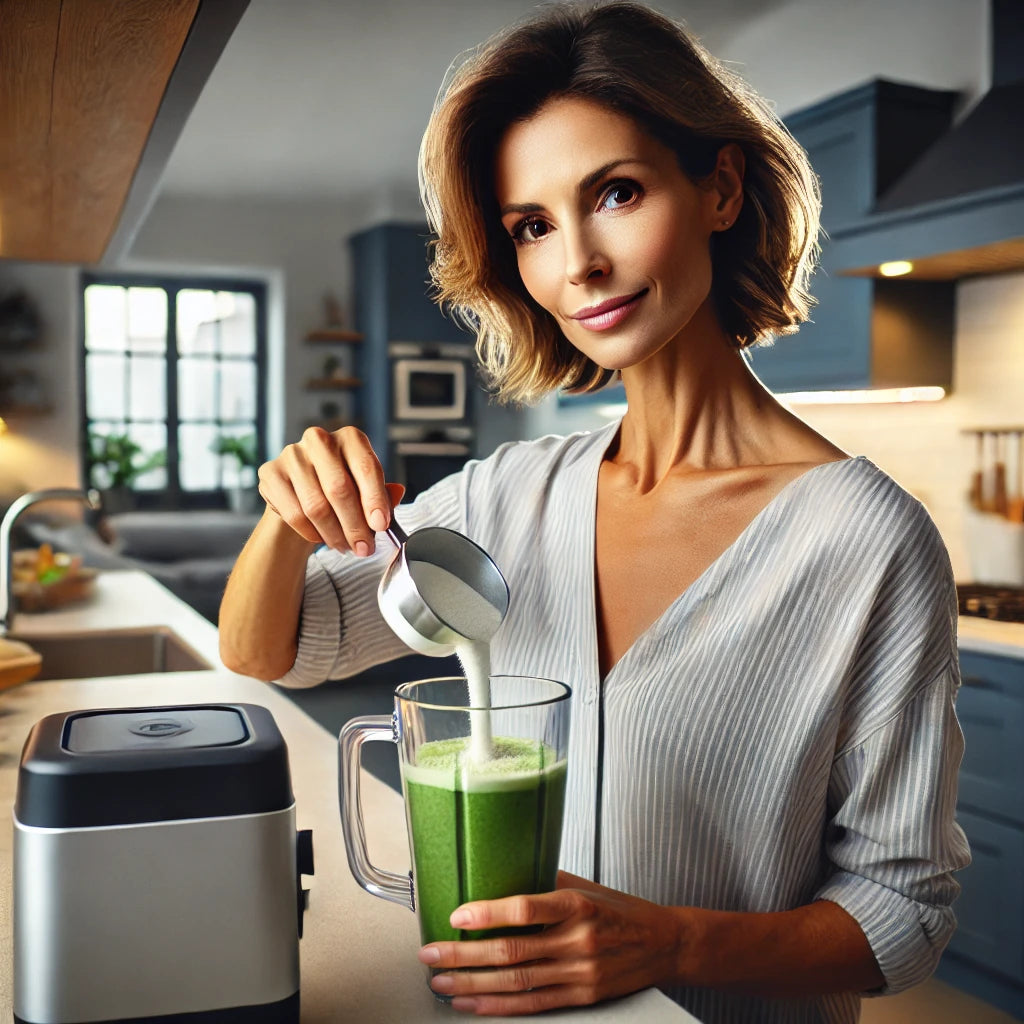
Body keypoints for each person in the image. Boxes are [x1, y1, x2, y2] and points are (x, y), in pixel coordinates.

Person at [219, 4, 970, 1022]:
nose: (577, 263)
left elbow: (904, 913)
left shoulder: (868, 541)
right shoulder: (504, 494)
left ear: (719, 188)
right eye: (532, 226)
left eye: (615, 193)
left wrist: (670, 941)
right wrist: (285, 513)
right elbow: (272, 648)